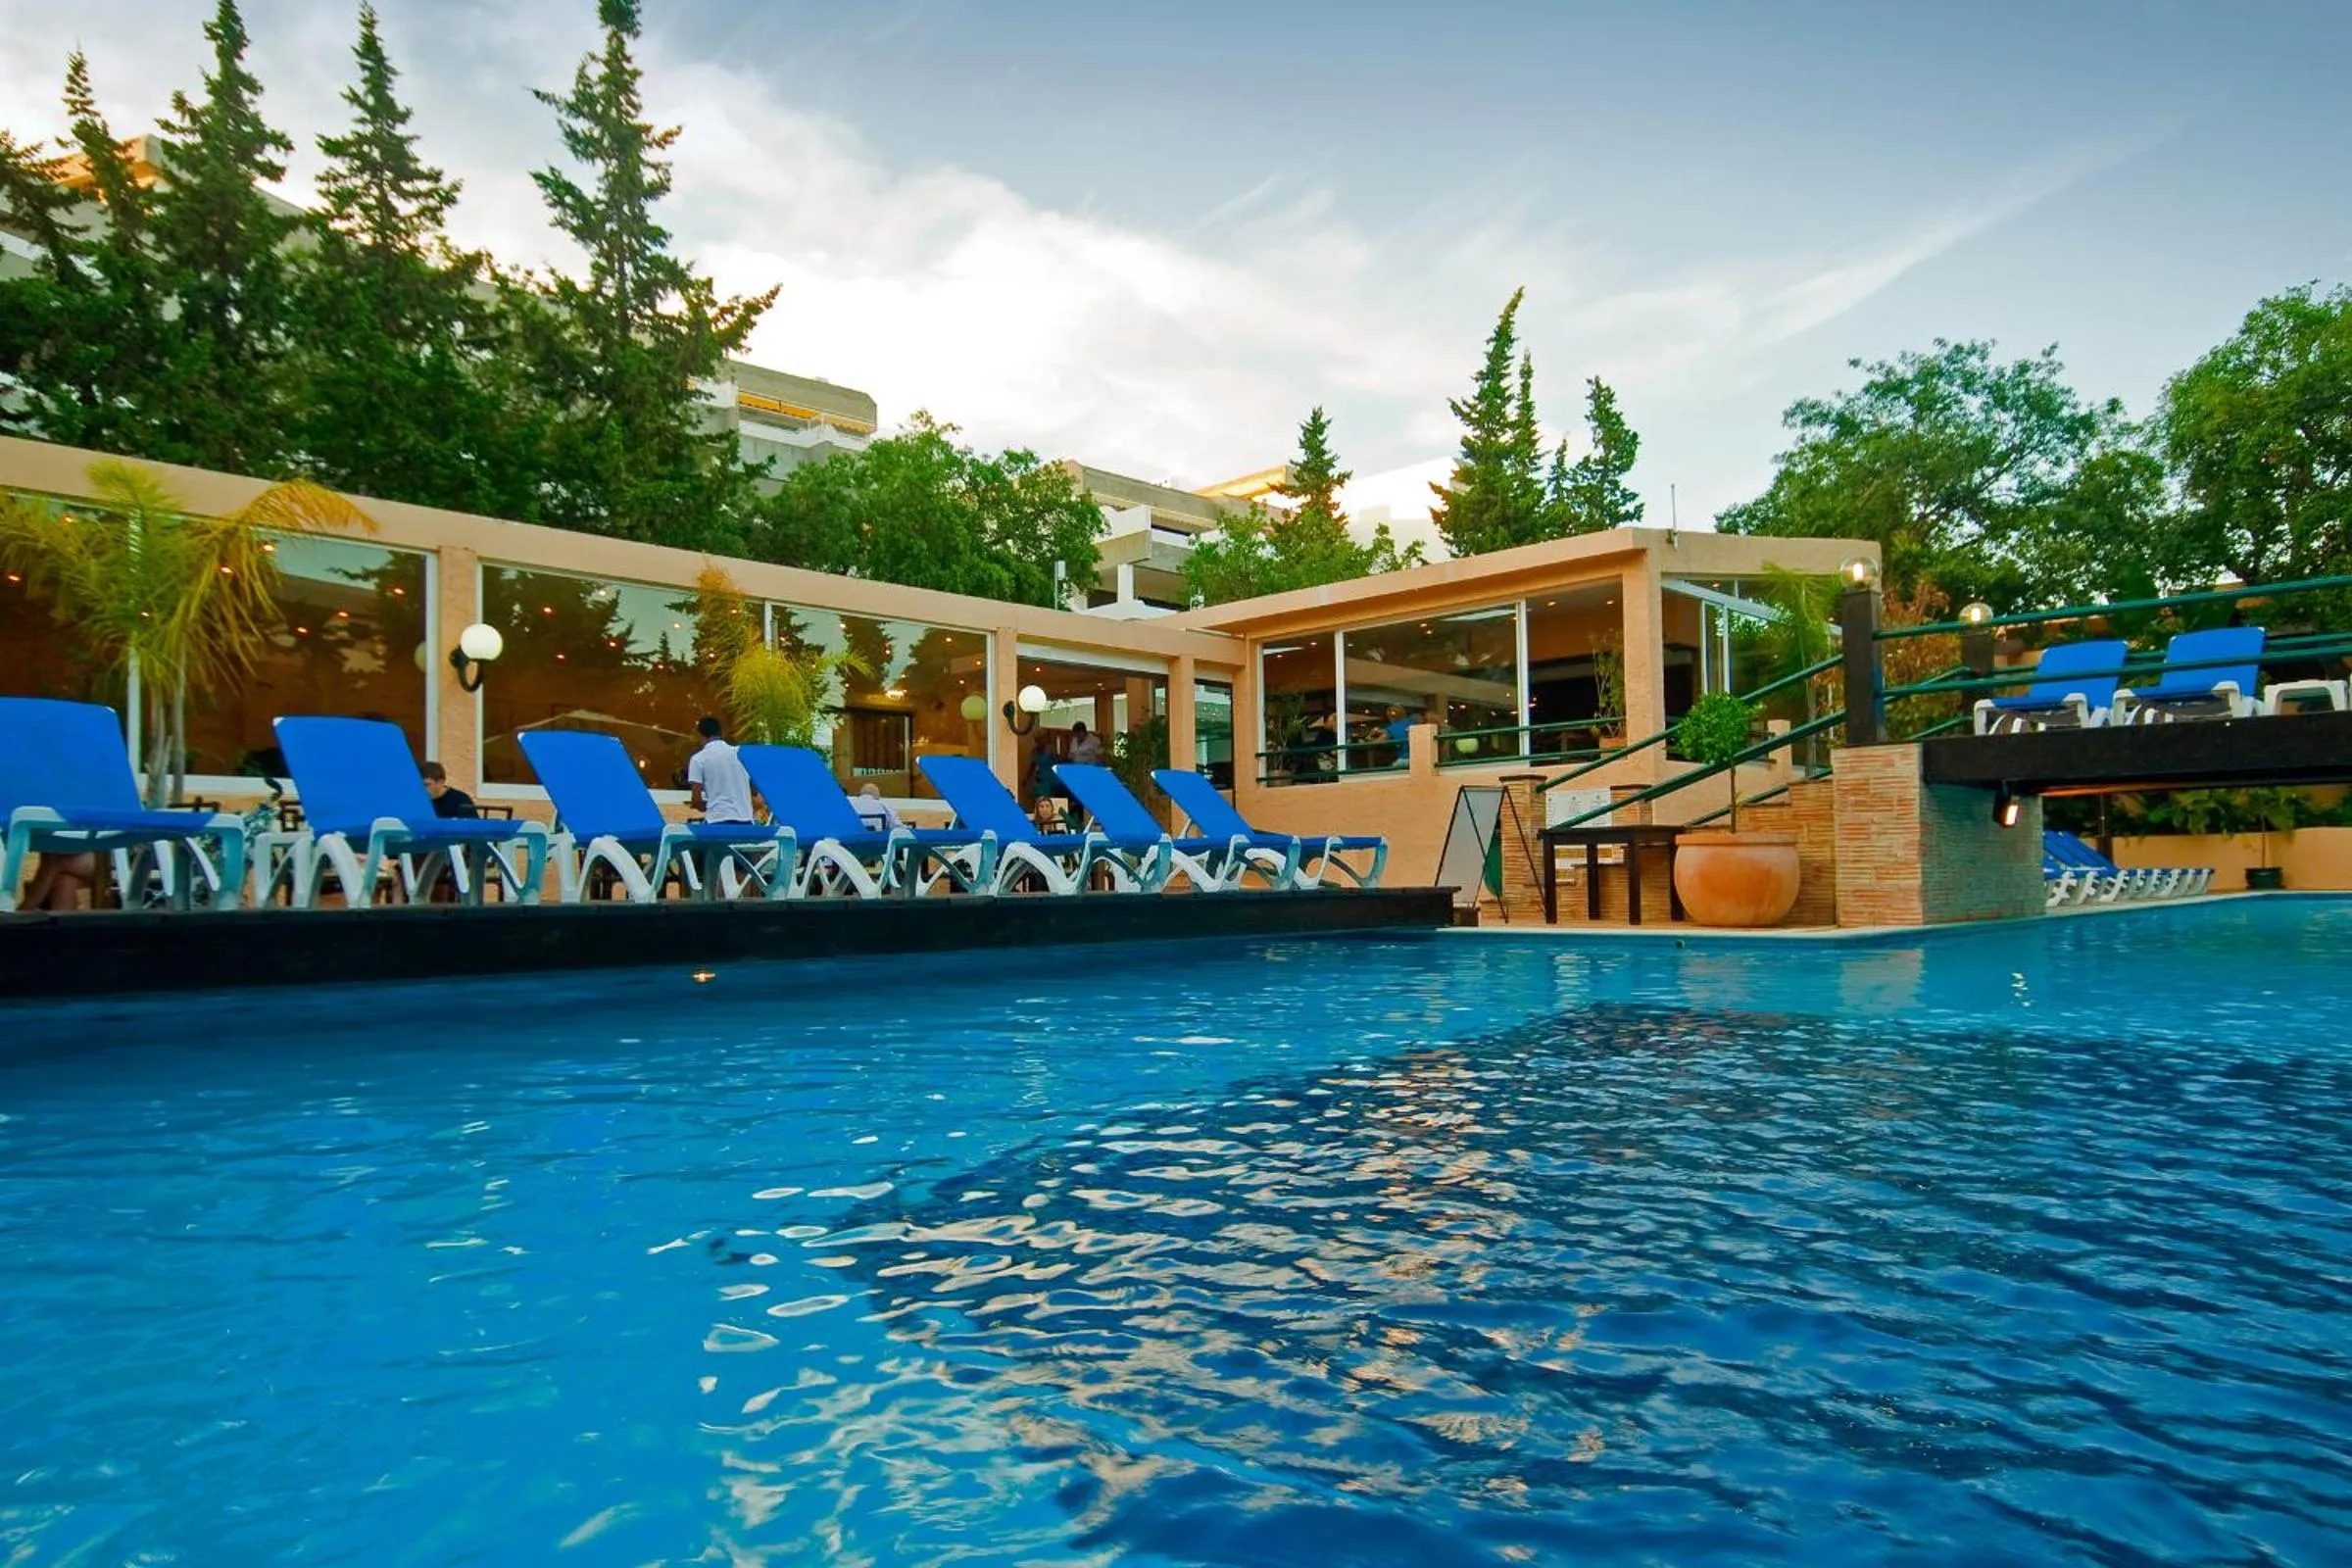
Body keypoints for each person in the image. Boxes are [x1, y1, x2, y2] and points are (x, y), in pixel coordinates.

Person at [686, 715, 756, 824]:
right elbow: (754, 790)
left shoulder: (698, 759)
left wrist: (701, 805)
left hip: (717, 821)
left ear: (699, 734)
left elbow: (696, 800)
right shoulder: (741, 755)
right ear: (721, 733)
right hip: (746, 820)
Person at [19, 852, 99, 911]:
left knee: (53, 861)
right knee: (64, 881)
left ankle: (24, 911)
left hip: (107, 856)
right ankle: (62, 930)